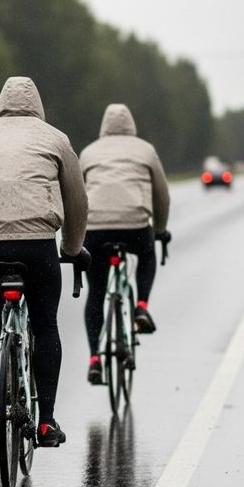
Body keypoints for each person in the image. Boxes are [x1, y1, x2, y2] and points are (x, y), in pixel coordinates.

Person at [0, 76, 89, 447]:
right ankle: (46, 422)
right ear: (37, 105)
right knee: (44, 324)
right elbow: (77, 203)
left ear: (1, 104)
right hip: (37, 245)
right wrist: (72, 248)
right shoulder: (56, 139)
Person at [78, 104, 170, 384]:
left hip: (95, 229)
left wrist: (76, 238)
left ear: (104, 126)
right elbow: (162, 196)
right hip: (135, 227)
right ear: (131, 125)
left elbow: (77, 195)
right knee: (147, 253)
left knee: (96, 293)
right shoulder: (146, 150)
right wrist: (160, 230)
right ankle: (141, 306)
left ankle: (94, 359)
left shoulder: (89, 152)